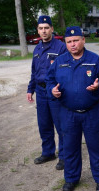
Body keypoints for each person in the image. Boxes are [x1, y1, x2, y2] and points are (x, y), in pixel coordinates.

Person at [46, 26, 99, 191]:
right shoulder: (60, 62)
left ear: (83, 40)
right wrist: (52, 90)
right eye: (69, 42)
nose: (73, 44)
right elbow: (49, 81)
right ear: (65, 43)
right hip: (68, 113)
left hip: (91, 112)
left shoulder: (94, 60)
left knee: (97, 148)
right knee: (70, 148)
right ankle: (71, 179)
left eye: (76, 41)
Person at [26, 15, 67, 170]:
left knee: (60, 125)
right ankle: (48, 152)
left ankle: (63, 156)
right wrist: (30, 89)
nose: (43, 31)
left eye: (46, 28)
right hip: (40, 91)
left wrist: (59, 88)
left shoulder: (60, 47)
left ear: (51, 29)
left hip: (55, 91)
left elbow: (64, 72)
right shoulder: (37, 48)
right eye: (41, 28)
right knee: (44, 124)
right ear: (38, 30)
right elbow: (34, 71)